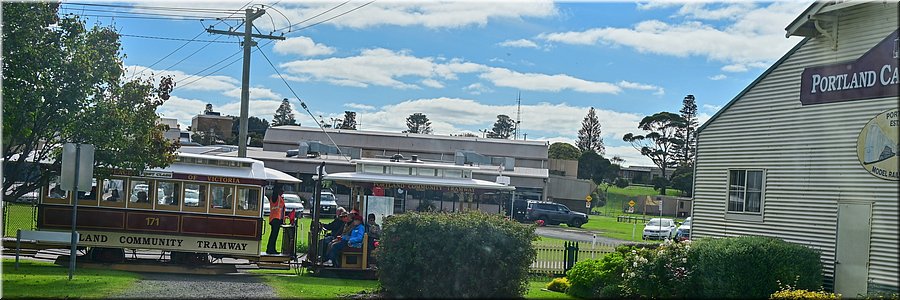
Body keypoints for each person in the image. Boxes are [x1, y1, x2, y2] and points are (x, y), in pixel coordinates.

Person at [266, 186, 285, 255]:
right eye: (281, 190)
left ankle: (271, 248)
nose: (283, 192)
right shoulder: (275, 197)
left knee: (274, 235)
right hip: (275, 219)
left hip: (277, 219)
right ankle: (270, 249)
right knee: (273, 235)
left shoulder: (280, 198)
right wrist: (276, 184)